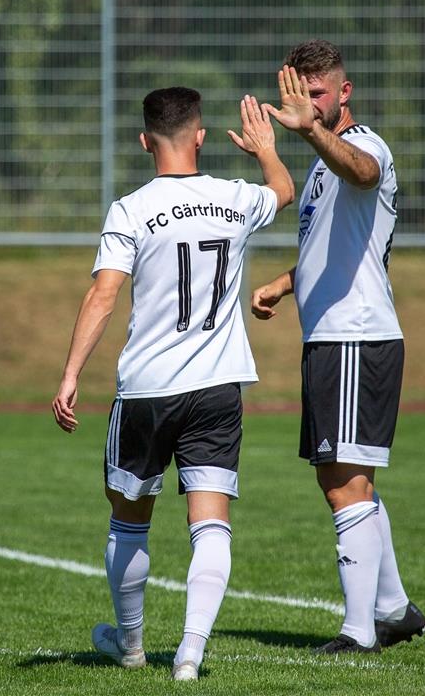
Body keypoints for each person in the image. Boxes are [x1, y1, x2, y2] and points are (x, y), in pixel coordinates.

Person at [52, 86, 293, 681]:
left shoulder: (130, 209)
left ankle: (132, 647)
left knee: (129, 519)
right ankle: (190, 652)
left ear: (144, 141)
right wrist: (265, 148)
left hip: (147, 388)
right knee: (210, 521)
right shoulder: (235, 198)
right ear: (202, 135)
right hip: (218, 386)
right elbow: (283, 192)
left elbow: (103, 294)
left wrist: (71, 372)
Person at [249, 39, 424, 654]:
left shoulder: (363, 146)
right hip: (332, 339)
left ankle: (358, 632)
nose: (304, 105)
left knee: (343, 483)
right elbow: (334, 249)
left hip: (357, 336)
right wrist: (283, 283)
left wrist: (309, 133)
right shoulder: (323, 165)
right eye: (296, 94)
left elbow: (366, 171)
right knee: (347, 478)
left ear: (342, 93)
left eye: (316, 94)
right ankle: (395, 608)